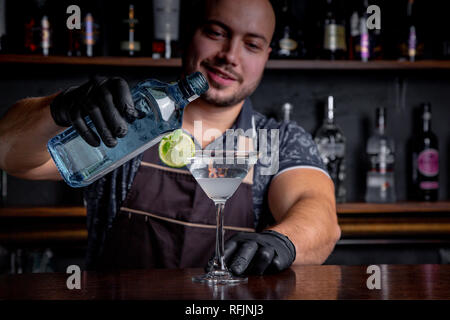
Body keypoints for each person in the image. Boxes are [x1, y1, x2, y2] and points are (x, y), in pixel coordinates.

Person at [0, 0, 340, 275]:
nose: (230, 56)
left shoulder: (277, 140)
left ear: (266, 56)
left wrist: (283, 241)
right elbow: (9, 155)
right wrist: (57, 108)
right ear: (188, 33)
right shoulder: (125, 121)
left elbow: (318, 215)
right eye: (216, 32)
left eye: (252, 45)